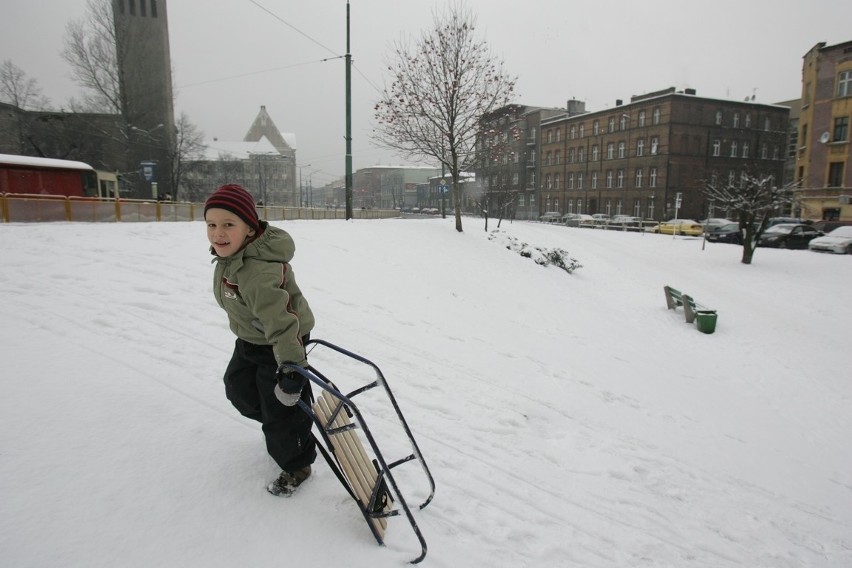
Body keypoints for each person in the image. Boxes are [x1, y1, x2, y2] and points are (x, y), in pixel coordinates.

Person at [204, 183, 317, 496]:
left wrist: (291, 369)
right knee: (238, 390)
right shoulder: (232, 257)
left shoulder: (256, 272)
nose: (218, 233)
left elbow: (282, 325)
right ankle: (286, 420)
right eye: (211, 224)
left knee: (280, 410)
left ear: (249, 228)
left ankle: (297, 462)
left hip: (280, 344)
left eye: (229, 224)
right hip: (251, 338)